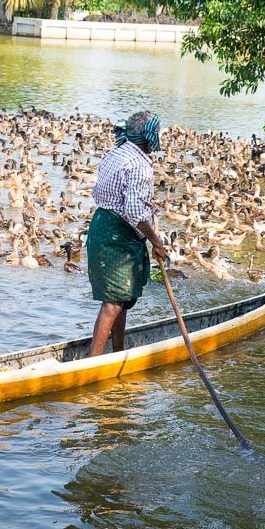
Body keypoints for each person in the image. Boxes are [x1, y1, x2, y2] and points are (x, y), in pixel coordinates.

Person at [85, 110, 167, 357]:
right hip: (118, 233)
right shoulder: (140, 165)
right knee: (113, 302)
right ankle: (93, 362)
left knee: (121, 297)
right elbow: (133, 211)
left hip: (102, 224)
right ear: (149, 136)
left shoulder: (116, 152)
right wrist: (156, 241)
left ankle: (118, 351)